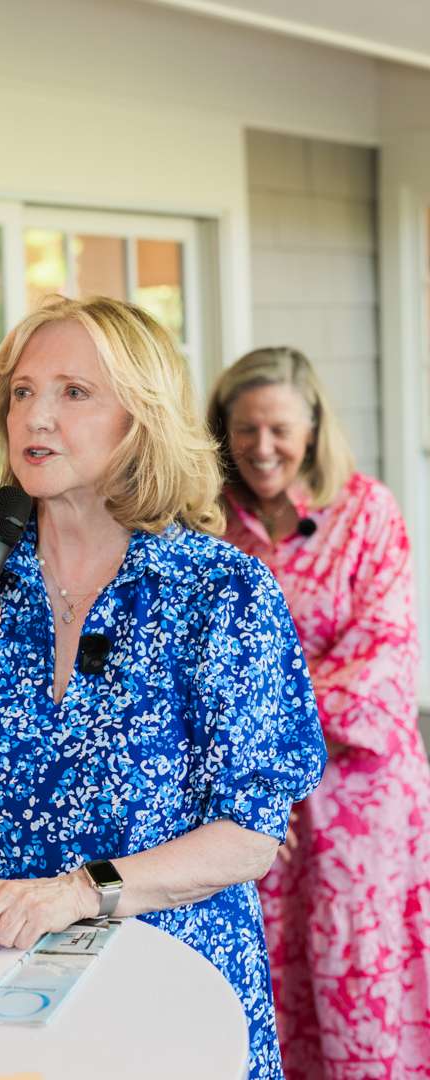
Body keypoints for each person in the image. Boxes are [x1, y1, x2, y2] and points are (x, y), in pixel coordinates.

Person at [0, 297, 326, 1079]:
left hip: (172, 995)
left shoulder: (221, 592)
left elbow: (251, 836)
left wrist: (82, 891)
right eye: (22, 391)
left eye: (73, 392)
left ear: (138, 420)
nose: (35, 416)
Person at [207, 345, 430, 1079]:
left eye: (279, 429)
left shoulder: (367, 511)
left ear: (313, 427)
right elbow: (201, 678)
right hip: (259, 807)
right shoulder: (209, 529)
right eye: (245, 429)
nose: (262, 448)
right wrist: (257, 761)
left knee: (356, 968)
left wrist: (262, 727)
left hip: (357, 802)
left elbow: (382, 668)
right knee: (272, 970)